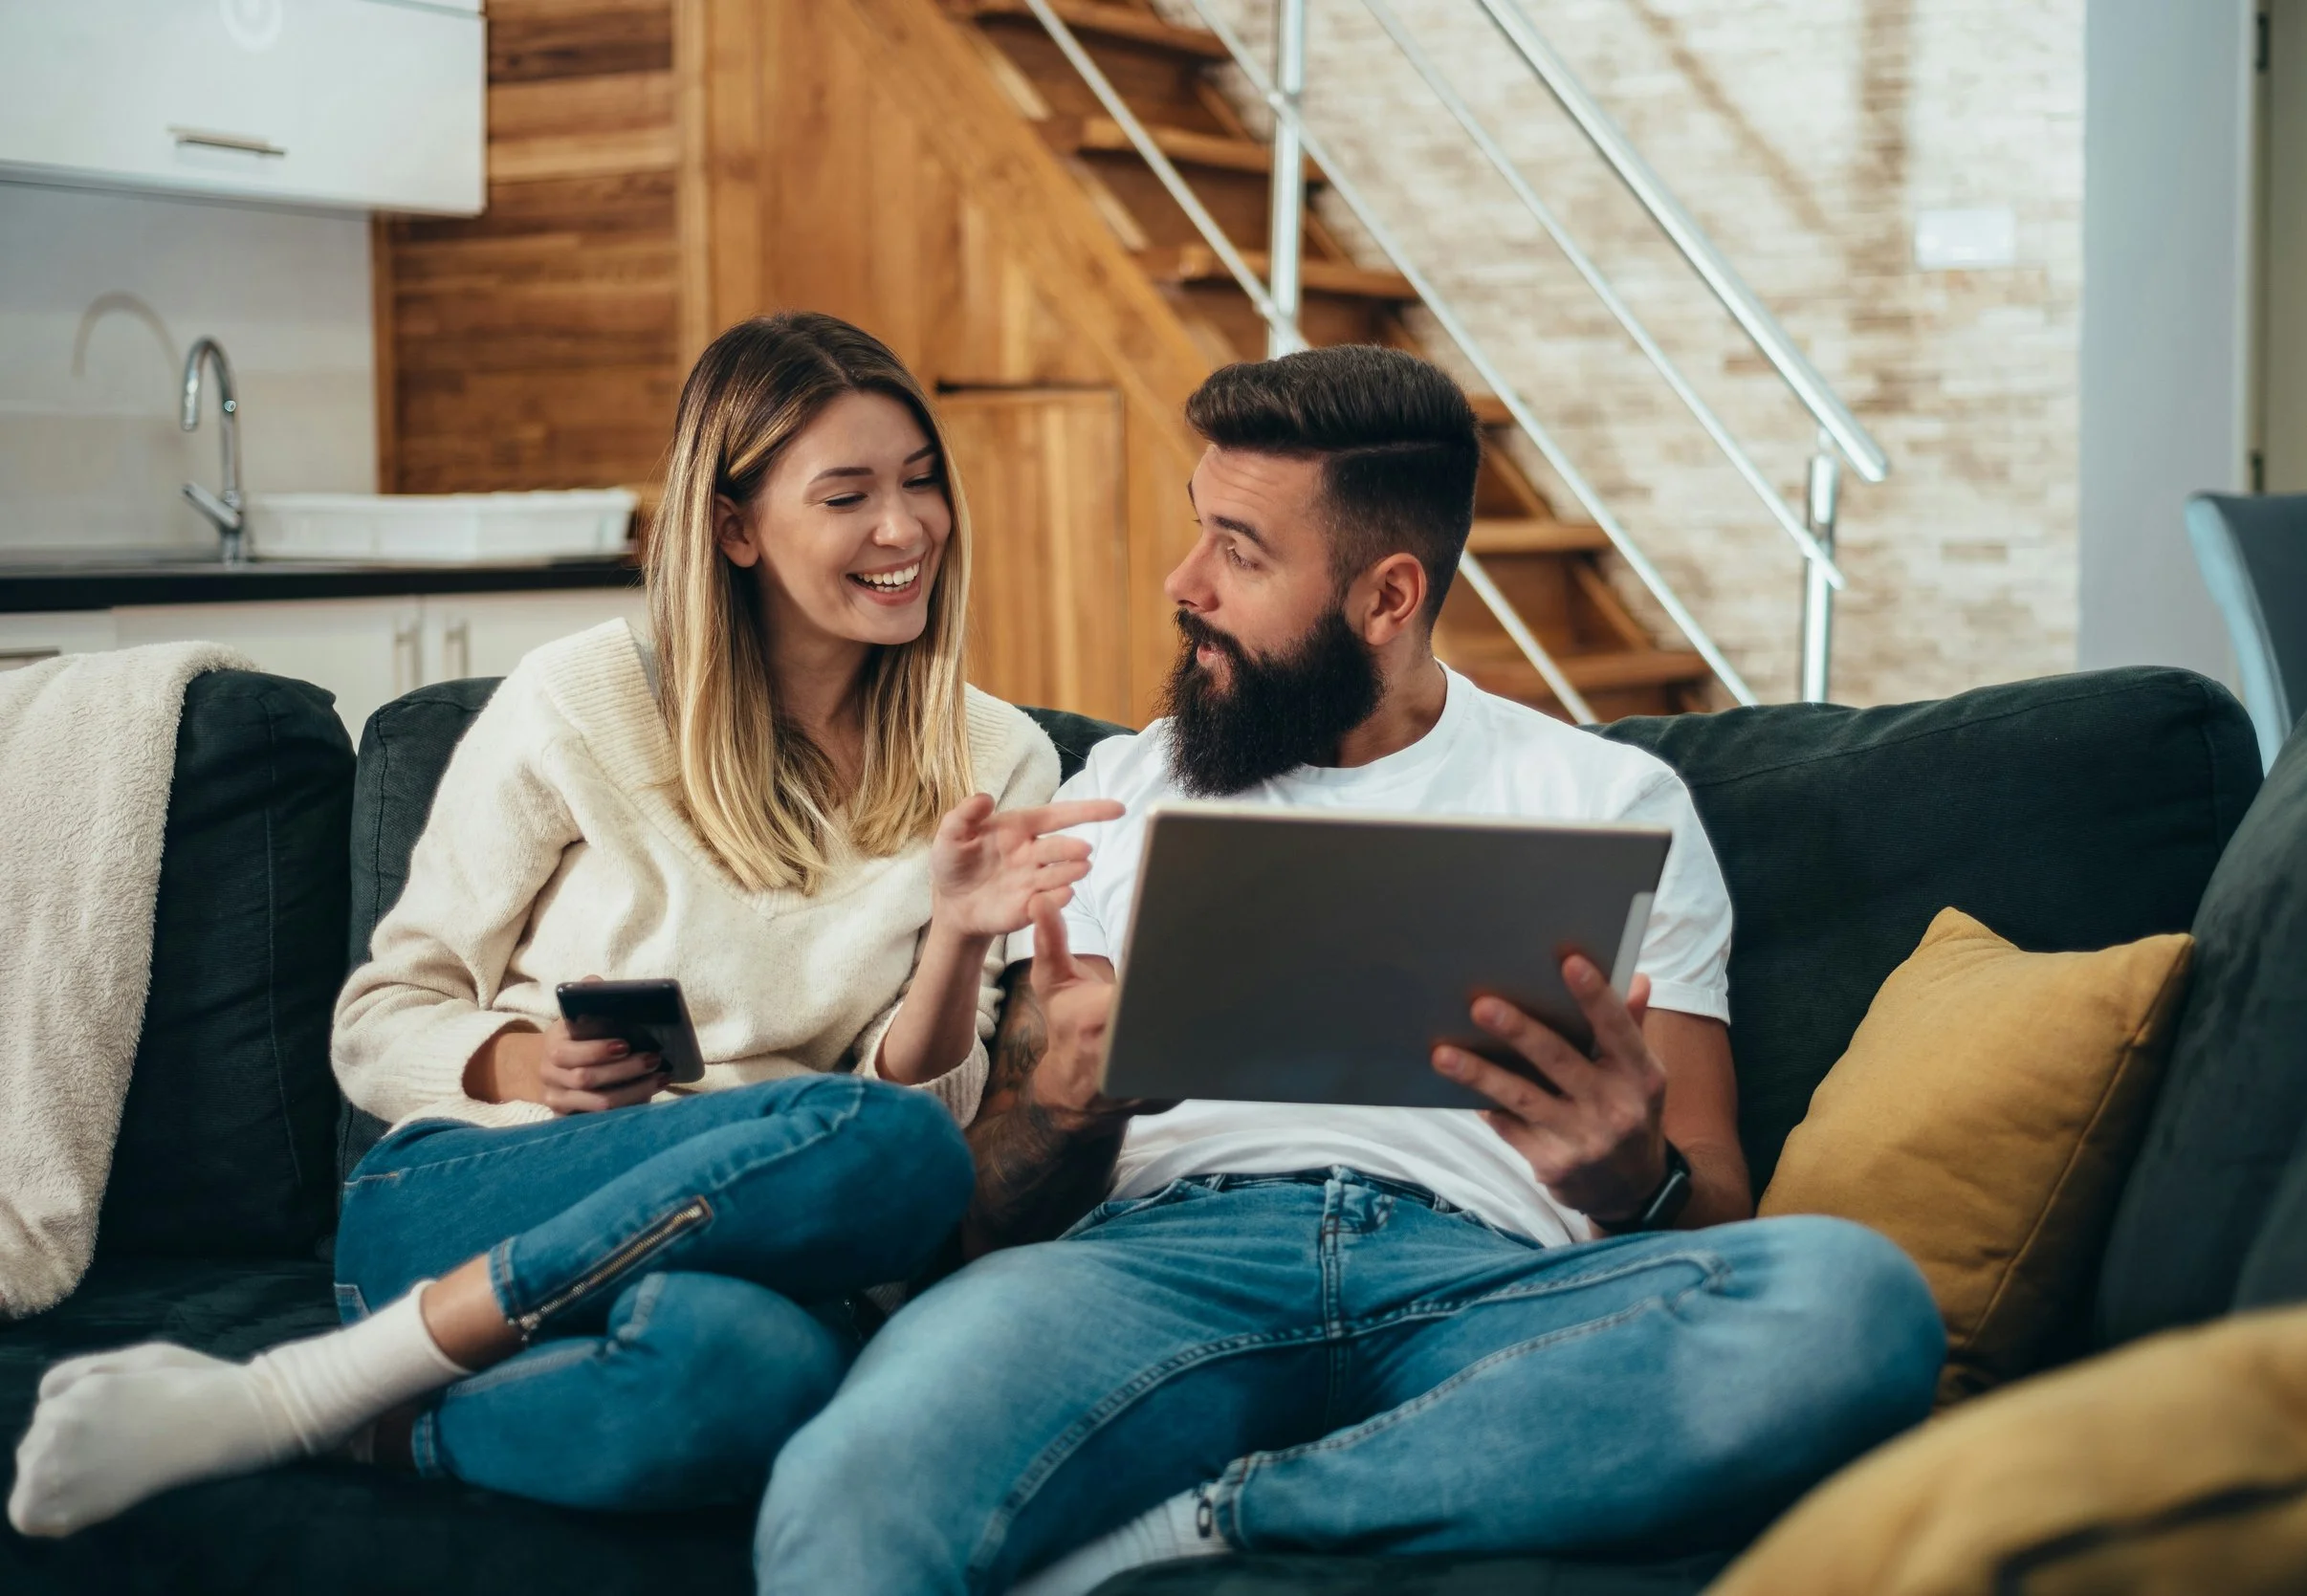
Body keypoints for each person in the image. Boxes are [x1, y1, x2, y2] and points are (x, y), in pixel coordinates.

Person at [750, 345, 1944, 1594]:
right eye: (1197, 531)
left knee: (1852, 1302)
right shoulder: (1117, 796)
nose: (1185, 582)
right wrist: (1061, 1109)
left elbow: (1718, 1215)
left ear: (1386, 598)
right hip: (1153, 1268)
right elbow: (985, 1228)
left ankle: (1223, 1517)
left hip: (1488, 1293)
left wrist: (1631, 1176)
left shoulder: (1613, 803)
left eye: (1239, 551)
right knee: (849, 1492)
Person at [7, 312, 1118, 1539]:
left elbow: (933, 1108)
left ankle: (339, 1415)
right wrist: (531, 1063)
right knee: (891, 1149)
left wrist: (959, 937)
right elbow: (380, 1022)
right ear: (736, 527)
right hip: (482, 1192)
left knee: (760, 1363)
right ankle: (301, 1380)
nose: (904, 529)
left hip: (761, 1241)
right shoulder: (583, 699)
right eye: (848, 494)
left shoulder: (995, 755)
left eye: (920, 484)